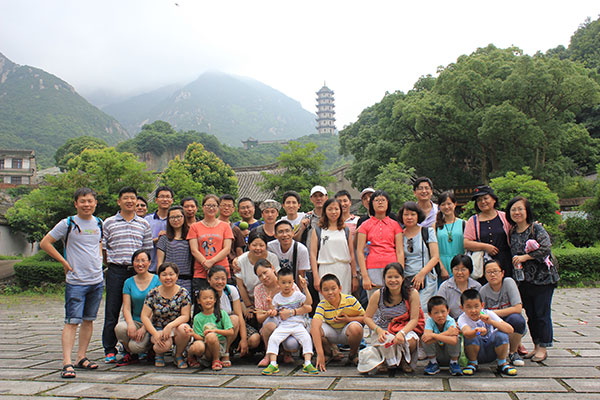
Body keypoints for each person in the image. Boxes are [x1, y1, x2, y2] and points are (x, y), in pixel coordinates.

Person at [39, 187, 104, 379]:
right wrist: (63, 262)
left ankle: (81, 357)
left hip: (96, 280)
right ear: (76, 204)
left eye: (90, 201)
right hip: (76, 281)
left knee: (89, 320)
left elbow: (98, 245)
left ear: (95, 203)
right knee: (71, 322)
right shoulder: (67, 223)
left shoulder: (99, 223)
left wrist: (100, 262)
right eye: (82, 201)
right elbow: (45, 243)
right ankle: (67, 362)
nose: (86, 204)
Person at [102, 186, 153, 363]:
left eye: (133, 198)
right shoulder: (109, 222)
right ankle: (109, 349)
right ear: (119, 201)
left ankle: (131, 348)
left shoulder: (144, 224)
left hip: (137, 272)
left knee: (138, 309)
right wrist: (110, 264)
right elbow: (104, 249)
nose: (130, 201)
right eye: (126, 198)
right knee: (112, 310)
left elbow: (147, 250)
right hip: (116, 270)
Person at [506, 196, 559, 363]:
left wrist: (525, 257)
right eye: (513, 209)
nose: (517, 212)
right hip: (523, 281)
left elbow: (545, 248)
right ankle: (536, 345)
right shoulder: (512, 231)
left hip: (543, 280)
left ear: (527, 211)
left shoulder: (536, 228)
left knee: (542, 313)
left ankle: (543, 347)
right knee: (531, 314)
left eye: (520, 209)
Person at [361, 263, 423, 373]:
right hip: (383, 328)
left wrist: (402, 333)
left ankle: (403, 360)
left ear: (402, 278)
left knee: (411, 341)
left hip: (404, 326)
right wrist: (378, 330)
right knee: (387, 340)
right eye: (389, 277)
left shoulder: (412, 293)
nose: (393, 280)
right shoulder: (378, 294)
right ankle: (385, 361)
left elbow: (414, 319)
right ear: (384, 279)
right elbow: (367, 317)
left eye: (396, 277)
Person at [253, 258, 310, 367]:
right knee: (269, 325)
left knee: (292, 344)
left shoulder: (288, 284)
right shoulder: (258, 290)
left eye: (265, 272)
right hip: (272, 321)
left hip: (291, 320)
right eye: (260, 276)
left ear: (272, 268)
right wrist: (268, 313)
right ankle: (268, 354)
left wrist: (291, 312)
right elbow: (259, 318)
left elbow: (306, 307)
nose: (264, 277)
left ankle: (287, 353)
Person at [261, 267, 318, 375]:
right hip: (283, 325)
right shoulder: (277, 297)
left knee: (306, 338)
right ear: (278, 283)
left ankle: (307, 363)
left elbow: (309, 303)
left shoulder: (298, 295)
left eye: (289, 282)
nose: (287, 285)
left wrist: (305, 288)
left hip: (298, 324)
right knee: (273, 338)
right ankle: (273, 363)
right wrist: (270, 305)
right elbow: (274, 310)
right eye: (283, 283)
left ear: (293, 282)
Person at [114, 249, 161, 366]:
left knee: (136, 347)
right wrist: (130, 324)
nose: (140, 264)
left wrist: (145, 328)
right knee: (120, 328)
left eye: (143, 260)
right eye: (137, 261)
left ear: (149, 262)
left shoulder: (157, 280)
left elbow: (157, 309)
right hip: (136, 321)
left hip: (152, 323)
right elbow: (126, 308)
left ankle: (149, 349)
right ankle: (130, 353)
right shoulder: (128, 282)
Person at [140, 262, 191, 368]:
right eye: (164, 274)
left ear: (177, 276)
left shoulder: (183, 293)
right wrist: (155, 333)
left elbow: (185, 316)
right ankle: (159, 354)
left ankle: (178, 355)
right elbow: (144, 316)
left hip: (175, 328)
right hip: (158, 328)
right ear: (159, 277)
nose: (168, 277)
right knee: (162, 346)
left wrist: (170, 326)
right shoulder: (153, 293)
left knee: (184, 329)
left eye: (171, 274)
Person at [311, 274, 365, 371]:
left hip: (346, 331)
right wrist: (320, 353)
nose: (330, 292)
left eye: (333, 289)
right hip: (332, 332)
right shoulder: (322, 305)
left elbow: (365, 318)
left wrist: (348, 319)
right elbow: (315, 326)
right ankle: (329, 352)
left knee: (356, 328)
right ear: (321, 292)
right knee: (315, 329)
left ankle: (353, 354)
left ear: (340, 288)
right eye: (326, 290)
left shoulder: (350, 300)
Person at [207, 265, 260, 365]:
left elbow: (239, 315)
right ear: (209, 280)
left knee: (254, 339)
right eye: (216, 279)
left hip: (232, 326)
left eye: (223, 279)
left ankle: (228, 349)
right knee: (233, 320)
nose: (220, 282)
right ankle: (224, 353)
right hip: (214, 325)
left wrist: (244, 339)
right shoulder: (206, 293)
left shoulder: (231, 290)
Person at [458, 289, 517, 376]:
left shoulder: (488, 313)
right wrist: (477, 332)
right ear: (462, 308)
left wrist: (491, 322)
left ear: (482, 305)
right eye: (469, 307)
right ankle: (473, 363)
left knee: (501, 334)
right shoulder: (462, 318)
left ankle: (502, 363)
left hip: (491, 350)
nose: (473, 310)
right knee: (471, 336)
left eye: (476, 306)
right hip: (476, 351)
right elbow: (466, 333)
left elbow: (510, 329)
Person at [479, 259, 526, 367]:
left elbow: (518, 308)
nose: (492, 275)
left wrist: (493, 313)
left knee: (517, 319)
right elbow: (482, 314)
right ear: (485, 275)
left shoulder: (509, 282)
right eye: (489, 272)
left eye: (495, 271)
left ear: (502, 273)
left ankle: (513, 352)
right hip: (493, 325)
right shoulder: (483, 291)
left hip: (510, 321)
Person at [357, 190, 404, 296]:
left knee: (393, 299)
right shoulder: (365, 225)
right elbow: (360, 251)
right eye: (377, 200)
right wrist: (365, 276)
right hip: (372, 267)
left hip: (392, 266)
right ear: (371, 204)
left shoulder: (395, 225)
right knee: (374, 300)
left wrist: (401, 273)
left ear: (388, 203)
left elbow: (400, 251)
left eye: (383, 200)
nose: (380, 202)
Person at [310, 198, 357, 295]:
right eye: (330, 209)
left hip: (344, 270)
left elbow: (351, 253)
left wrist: (354, 276)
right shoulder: (318, 230)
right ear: (325, 211)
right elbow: (313, 255)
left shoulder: (345, 230)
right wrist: (316, 276)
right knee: (327, 299)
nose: (333, 212)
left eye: (336, 209)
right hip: (325, 269)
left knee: (344, 299)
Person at [464, 185, 512, 279]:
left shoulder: (505, 217)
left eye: (485, 198)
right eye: (479, 200)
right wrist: (485, 247)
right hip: (484, 264)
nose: (483, 202)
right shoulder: (473, 220)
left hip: (505, 261)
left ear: (494, 199)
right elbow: (466, 243)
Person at [188, 194, 234, 291]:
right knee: (202, 298)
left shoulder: (225, 226)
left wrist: (211, 262)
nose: (211, 208)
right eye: (208, 205)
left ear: (218, 208)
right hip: (201, 271)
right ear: (202, 207)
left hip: (221, 271)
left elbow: (227, 249)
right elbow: (194, 250)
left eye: (214, 206)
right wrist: (205, 263)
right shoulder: (194, 227)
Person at [399, 201, 439, 312]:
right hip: (407, 280)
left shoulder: (428, 232)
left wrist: (422, 274)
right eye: (406, 214)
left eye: (413, 214)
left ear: (418, 216)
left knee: (422, 310)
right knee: (409, 311)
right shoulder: (400, 235)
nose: (409, 217)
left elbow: (435, 257)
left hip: (426, 279)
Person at [184, 286, 234, 371]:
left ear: (215, 300)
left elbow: (231, 332)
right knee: (197, 346)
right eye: (204, 298)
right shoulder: (197, 317)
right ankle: (190, 357)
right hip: (205, 347)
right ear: (199, 301)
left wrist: (215, 331)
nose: (208, 300)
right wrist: (193, 334)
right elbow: (200, 337)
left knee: (211, 336)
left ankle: (216, 360)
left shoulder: (222, 313)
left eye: (211, 298)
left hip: (219, 346)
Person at [235, 230, 280, 307]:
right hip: (250, 299)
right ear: (249, 246)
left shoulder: (272, 258)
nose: (258, 248)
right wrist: (249, 306)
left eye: (261, 245)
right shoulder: (240, 261)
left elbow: (278, 278)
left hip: (274, 298)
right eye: (254, 245)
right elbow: (240, 286)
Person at [421, 296, 462, 376]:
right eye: (436, 313)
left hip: (450, 354)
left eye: (443, 311)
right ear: (429, 314)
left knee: (456, 338)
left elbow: (454, 341)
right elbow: (426, 339)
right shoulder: (429, 321)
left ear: (448, 311)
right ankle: (433, 362)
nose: (440, 315)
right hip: (437, 354)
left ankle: (454, 363)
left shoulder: (450, 321)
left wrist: (433, 335)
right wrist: (447, 333)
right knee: (424, 337)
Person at [156, 206, 193, 293]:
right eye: (172, 217)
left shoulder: (191, 236)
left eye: (178, 217)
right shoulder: (164, 238)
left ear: (184, 217)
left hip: (187, 280)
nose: (175, 220)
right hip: (168, 280)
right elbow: (160, 263)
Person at [436, 254, 481, 319]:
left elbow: (482, 310)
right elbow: (439, 309)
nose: (459, 272)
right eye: (456, 269)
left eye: (463, 269)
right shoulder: (445, 287)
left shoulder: (477, 286)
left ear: (470, 271)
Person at [435, 191, 465, 282]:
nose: (446, 207)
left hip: (461, 263)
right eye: (443, 204)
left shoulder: (464, 224)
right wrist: (442, 268)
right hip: (442, 265)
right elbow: (434, 251)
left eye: (449, 204)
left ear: (455, 204)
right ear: (439, 207)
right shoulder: (435, 226)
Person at [145, 186, 174, 272]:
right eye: (162, 197)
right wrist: (158, 240)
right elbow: (142, 243)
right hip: (149, 266)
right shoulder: (147, 220)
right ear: (156, 200)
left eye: (168, 197)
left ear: (172, 200)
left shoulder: (176, 220)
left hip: (171, 268)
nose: (165, 199)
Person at [295, 185, 328, 249]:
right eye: (315, 196)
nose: (318, 198)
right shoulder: (307, 217)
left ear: (326, 197)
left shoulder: (331, 217)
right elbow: (296, 240)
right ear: (311, 199)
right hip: (310, 254)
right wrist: (302, 229)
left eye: (321, 196)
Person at [218, 195, 245, 266]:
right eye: (224, 205)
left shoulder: (236, 229)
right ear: (218, 207)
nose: (226, 208)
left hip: (230, 266)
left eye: (229, 206)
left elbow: (239, 253)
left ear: (233, 209)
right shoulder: (211, 226)